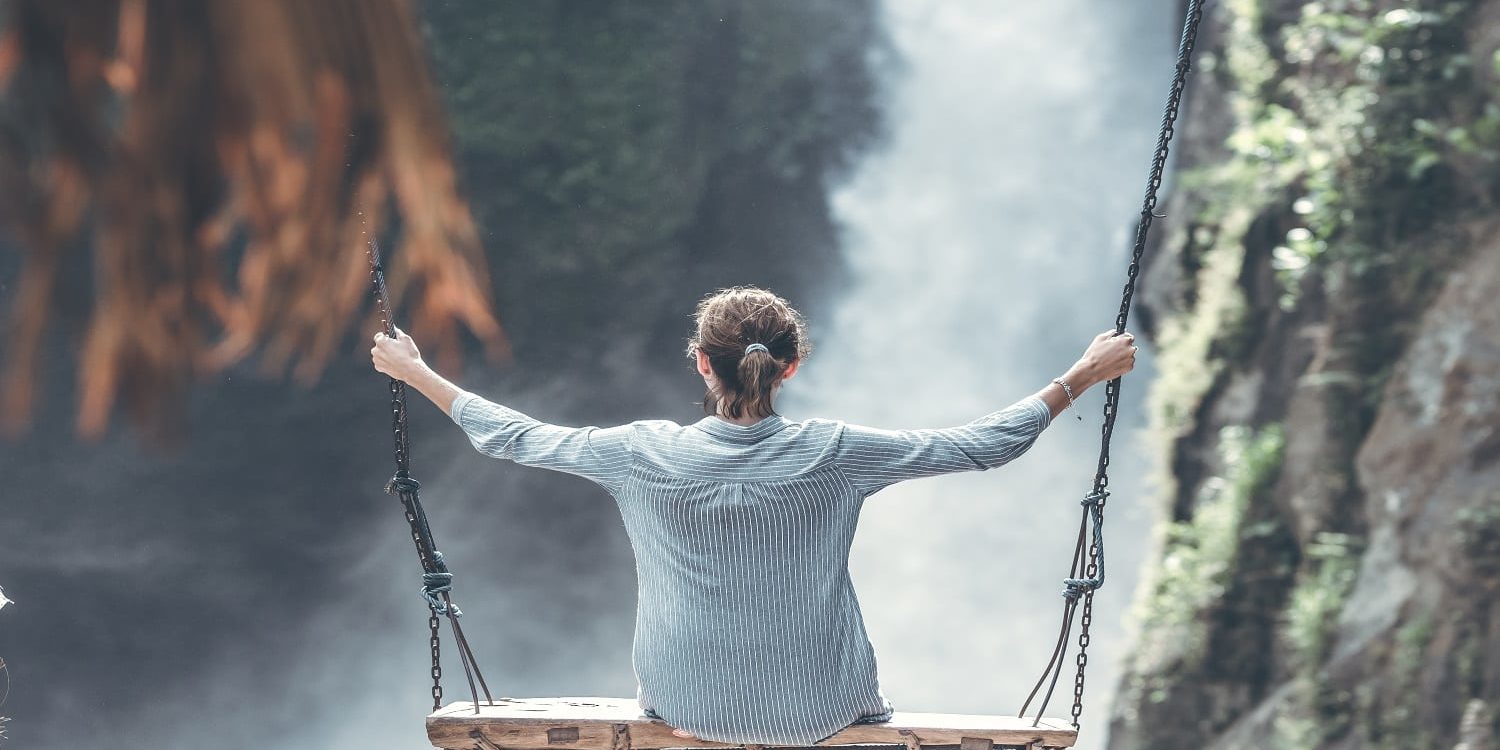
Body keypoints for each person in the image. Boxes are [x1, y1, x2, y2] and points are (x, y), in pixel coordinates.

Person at [369, 285, 1137, 746]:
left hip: (686, 705)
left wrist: (416, 371)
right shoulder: (837, 452)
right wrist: (1082, 374)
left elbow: (516, 436)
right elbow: (982, 446)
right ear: (791, 367)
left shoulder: (639, 453)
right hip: (824, 712)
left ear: (700, 361)